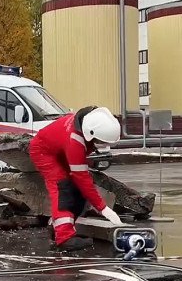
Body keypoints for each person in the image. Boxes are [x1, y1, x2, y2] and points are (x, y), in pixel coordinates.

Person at [29, 106, 123, 251]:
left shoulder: (87, 122)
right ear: (91, 133)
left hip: (57, 150)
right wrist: (103, 209)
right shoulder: (75, 141)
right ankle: (64, 237)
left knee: (77, 192)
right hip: (43, 151)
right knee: (63, 188)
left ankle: (56, 227)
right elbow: (82, 178)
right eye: (99, 141)